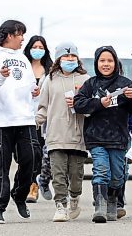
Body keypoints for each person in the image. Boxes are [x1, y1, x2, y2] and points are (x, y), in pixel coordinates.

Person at [0, 20, 41, 224]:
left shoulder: (23, 58)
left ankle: (19, 194)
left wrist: (34, 93)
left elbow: (29, 85)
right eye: (20, 34)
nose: (23, 38)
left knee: (32, 157)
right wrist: (0, 76)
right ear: (8, 36)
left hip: (24, 118)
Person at [73, 46, 132, 223]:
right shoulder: (90, 84)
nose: (106, 64)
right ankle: (100, 205)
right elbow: (78, 104)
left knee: (118, 175)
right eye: (102, 60)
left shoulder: (125, 83)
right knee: (101, 171)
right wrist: (98, 103)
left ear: (116, 63)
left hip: (119, 139)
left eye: (109, 60)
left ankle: (113, 200)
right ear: (96, 63)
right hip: (96, 138)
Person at [36, 42, 90, 222]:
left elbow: (92, 108)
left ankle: (74, 197)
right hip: (55, 135)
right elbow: (43, 107)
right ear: (58, 59)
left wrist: (81, 105)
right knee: (57, 174)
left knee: (76, 175)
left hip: (77, 135)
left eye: (73, 56)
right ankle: (60, 205)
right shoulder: (50, 80)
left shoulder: (85, 80)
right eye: (66, 56)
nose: (69, 59)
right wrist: (34, 123)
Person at [23, 35, 53, 203]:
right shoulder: (23, 66)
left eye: (41, 47)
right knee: (26, 154)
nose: (38, 50)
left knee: (41, 153)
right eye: (35, 47)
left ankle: (34, 187)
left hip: (43, 119)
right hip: (24, 116)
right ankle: (27, 182)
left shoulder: (50, 69)